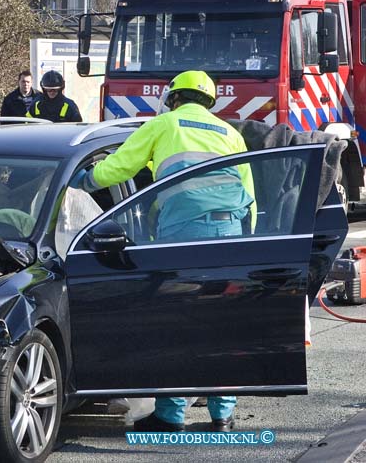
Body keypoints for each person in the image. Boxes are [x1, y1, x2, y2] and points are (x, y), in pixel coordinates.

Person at [75, 70, 255, 433]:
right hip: (230, 232)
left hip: (184, 232)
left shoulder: (164, 124)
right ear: (209, 101)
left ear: (174, 97)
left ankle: (171, 415)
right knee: (222, 323)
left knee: (177, 321)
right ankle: (223, 416)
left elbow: (121, 166)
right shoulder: (230, 133)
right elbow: (250, 194)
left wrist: (84, 181)